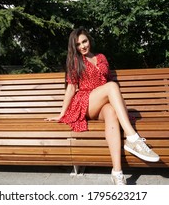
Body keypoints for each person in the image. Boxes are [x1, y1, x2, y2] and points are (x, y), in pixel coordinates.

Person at [46, 27, 159, 185]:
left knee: (112, 112)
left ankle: (117, 172)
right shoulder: (75, 61)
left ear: (89, 40)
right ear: (74, 47)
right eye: (78, 44)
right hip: (85, 102)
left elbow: (107, 79)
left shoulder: (101, 57)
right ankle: (133, 138)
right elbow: (71, 88)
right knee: (112, 86)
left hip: (103, 102)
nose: (83, 46)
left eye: (84, 41)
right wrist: (61, 114)